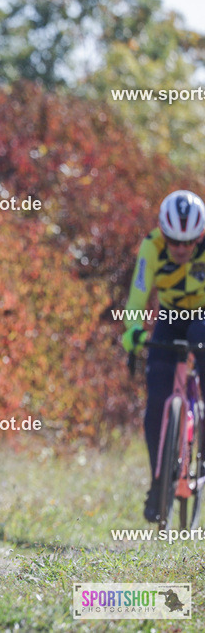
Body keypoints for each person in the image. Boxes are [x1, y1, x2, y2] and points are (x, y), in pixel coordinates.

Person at [122, 189, 205, 521]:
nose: (181, 249)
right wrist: (133, 330)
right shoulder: (151, 246)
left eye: (189, 243)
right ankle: (159, 483)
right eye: (173, 241)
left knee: (200, 336)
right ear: (162, 233)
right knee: (157, 396)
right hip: (170, 316)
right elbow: (138, 295)